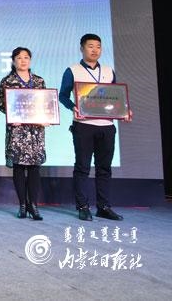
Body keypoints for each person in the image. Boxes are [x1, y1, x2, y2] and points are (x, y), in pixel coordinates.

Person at [60, 33, 131, 221]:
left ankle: (103, 207)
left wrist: (125, 110)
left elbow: (116, 96)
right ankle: (83, 207)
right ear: (82, 48)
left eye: (98, 46)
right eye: (90, 46)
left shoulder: (108, 70)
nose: (95, 50)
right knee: (82, 167)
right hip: (83, 126)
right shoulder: (72, 70)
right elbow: (63, 96)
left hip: (107, 126)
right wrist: (73, 107)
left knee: (104, 168)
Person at [0, 47, 46, 221]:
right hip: (17, 130)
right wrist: (11, 115)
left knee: (34, 168)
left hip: (35, 130)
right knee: (18, 167)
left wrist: (46, 117)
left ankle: (34, 205)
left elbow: (46, 103)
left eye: (26, 57)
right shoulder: (7, 81)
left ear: (30, 60)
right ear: (13, 61)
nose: (23, 61)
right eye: (19, 58)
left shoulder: (39, 81)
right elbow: (0, 103)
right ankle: (22, 205)